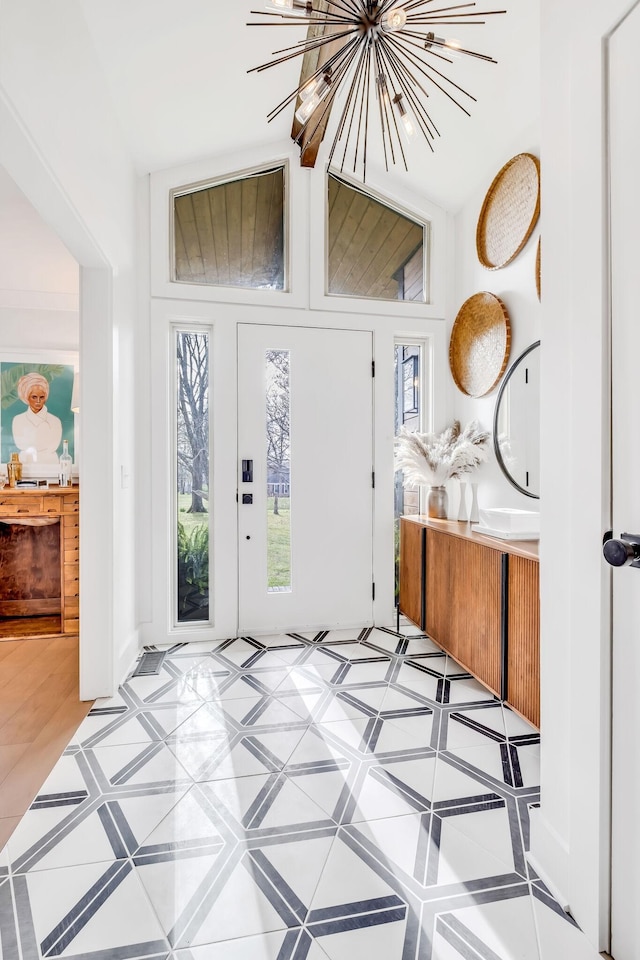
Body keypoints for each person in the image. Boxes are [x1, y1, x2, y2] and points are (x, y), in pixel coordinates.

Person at [12, 372, 63, 464]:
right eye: (34, 397)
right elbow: (20, 444)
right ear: (27, 397)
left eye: (42, 397)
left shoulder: (55, 421)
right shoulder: (18, 420)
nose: (38, 401)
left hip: (50, 464)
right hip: (25, 463)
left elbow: (53, 446)